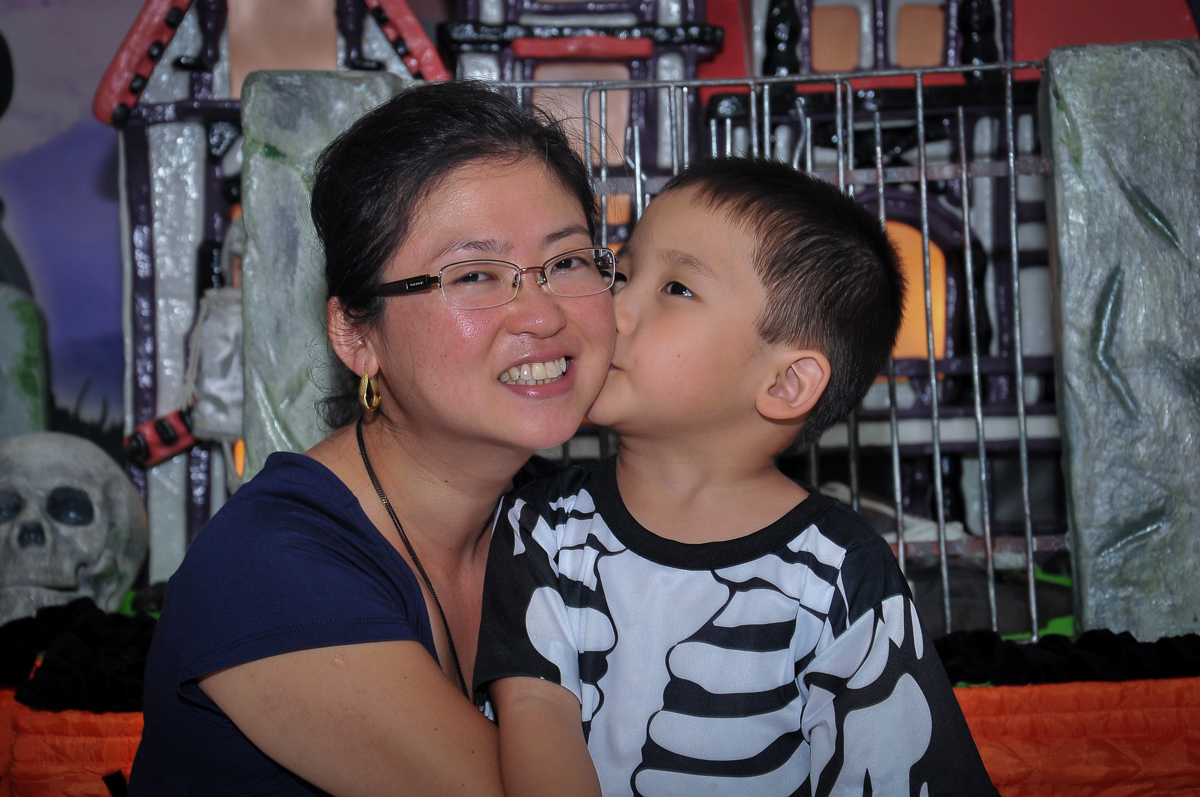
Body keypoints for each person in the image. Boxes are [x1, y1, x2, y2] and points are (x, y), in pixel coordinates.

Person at [129, 80, 616, 795]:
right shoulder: (267, 569)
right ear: (356, 335)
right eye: (475, 274)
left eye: (568, 261)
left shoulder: (567, 520)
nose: (541, 314)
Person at [474, 159, 999, 796]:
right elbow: (535, 713)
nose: (613, 310)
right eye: (624, 273)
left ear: (785, 383)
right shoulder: (542, 529)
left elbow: (895, 773)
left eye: (676, 289)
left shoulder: (842, 573)